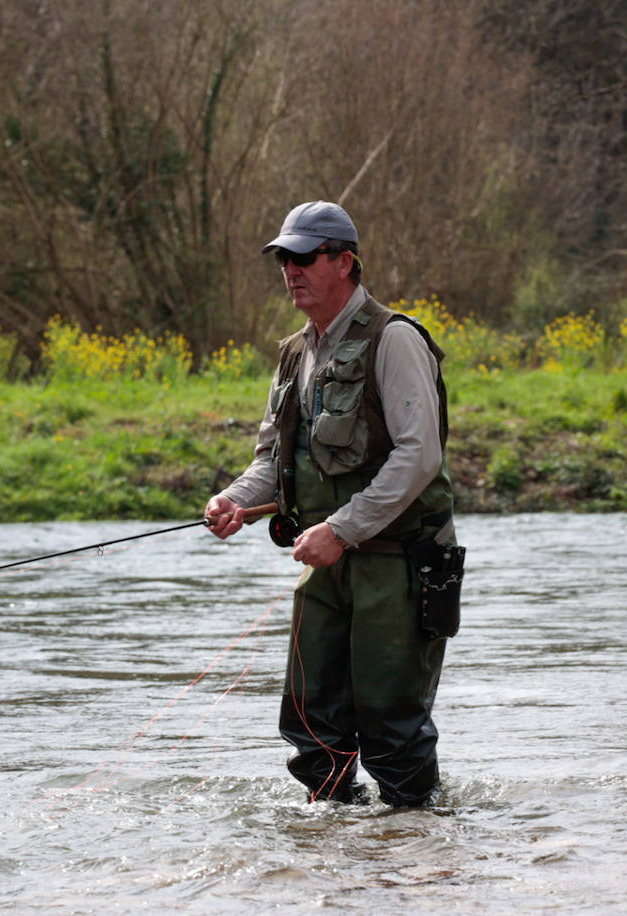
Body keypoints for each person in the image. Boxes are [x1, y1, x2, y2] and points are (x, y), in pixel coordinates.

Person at [204, 200, 460, 808]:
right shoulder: (294, 354)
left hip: (399, 566)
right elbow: (272, 459)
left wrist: (341, 530)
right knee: (311, 724)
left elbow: (419, 456)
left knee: (392, 730)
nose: (290, 270)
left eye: (304, 257)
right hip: (324, 564)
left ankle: (412, 850)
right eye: (283, 260)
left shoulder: (394, 339)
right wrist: (234, 501)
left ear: (344, 262)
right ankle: (334, 850)